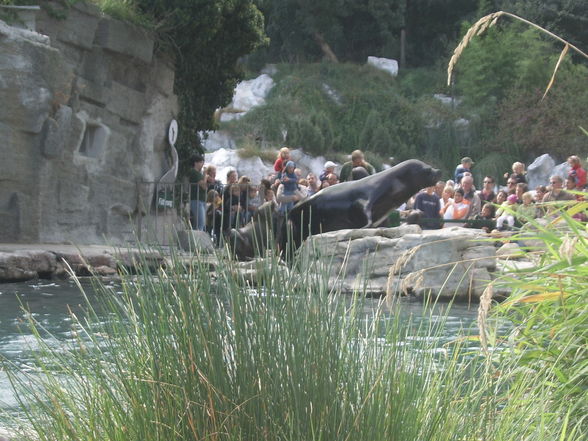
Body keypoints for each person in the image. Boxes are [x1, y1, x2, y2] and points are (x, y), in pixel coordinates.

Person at [188, 154, 207, 231]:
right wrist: (205, 176)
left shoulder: (198, 173)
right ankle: (197, 241)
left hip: (201, 200)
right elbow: (204, 186)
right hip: (196, 200)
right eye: (201, 162)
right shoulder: (194, 172)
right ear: (196, 163)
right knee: (200, 223)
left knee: (201, 223)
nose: (202, 164)